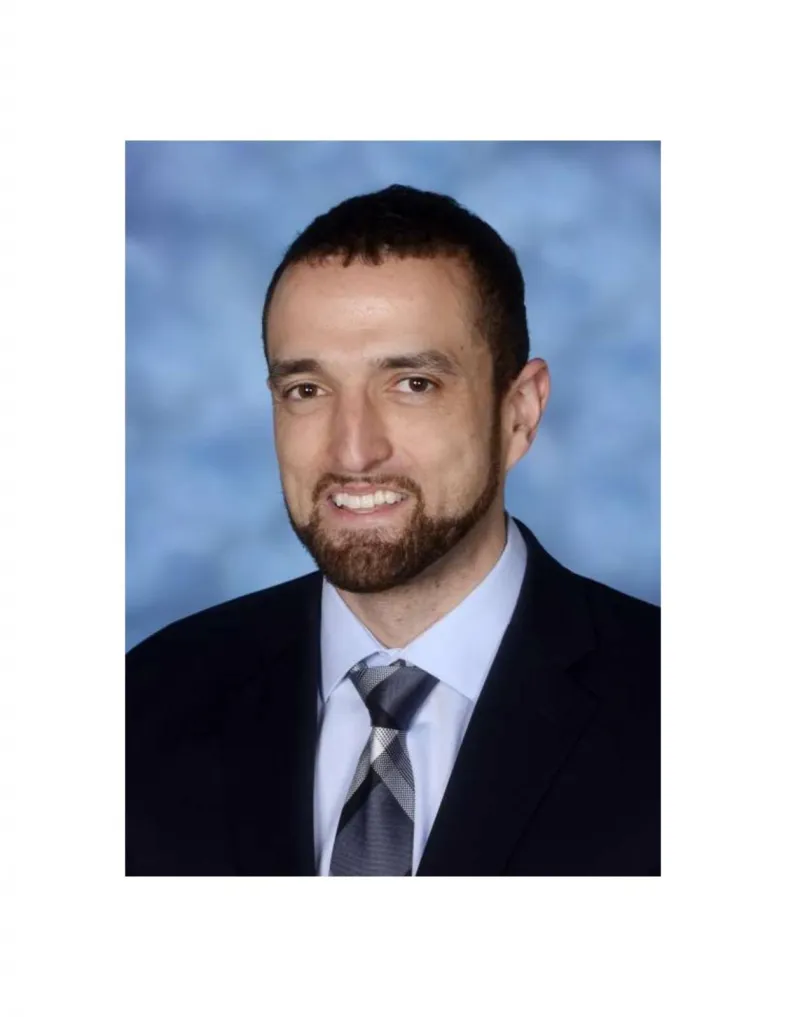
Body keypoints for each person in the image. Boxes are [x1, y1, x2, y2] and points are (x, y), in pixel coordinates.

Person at [126, 184, 660, 876]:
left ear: (520, 414)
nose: (353, 451)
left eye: (412, 384)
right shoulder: (147, 700)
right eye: (307, 390)